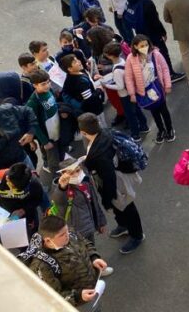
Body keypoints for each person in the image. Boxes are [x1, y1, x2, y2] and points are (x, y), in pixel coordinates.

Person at [78, 113, 145, 254]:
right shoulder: (105, 133)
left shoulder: (99, 153)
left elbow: (109, 180)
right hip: (118, 175)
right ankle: (123, 225)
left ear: (83, 132)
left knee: (127, 206)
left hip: (116, 182)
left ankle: (137, 235)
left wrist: (106, 200)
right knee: (121, 206)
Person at [21, 215, 109, 307]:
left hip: (93, 289)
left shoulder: (68, 232)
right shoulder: (42, 265)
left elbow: (85, 242)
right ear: (48, 240)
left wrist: (94, 257)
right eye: (62, 235)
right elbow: (53, 296)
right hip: (76, 305)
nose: (67, 235)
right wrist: (78, 297)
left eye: (67, 230)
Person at [127, 0, 182, 80]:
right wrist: (163, 33)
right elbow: (154, 21)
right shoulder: (147, 2)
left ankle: (155, 75)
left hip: (141, 33)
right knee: (163, 53)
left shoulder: (134, 0)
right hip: (152, 34)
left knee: (148, 56)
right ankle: (169, 74)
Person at [124, 34, 175, 144]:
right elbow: (128, 77)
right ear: (135, 46)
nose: (145, 47)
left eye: (146, 45)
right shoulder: (130, 58)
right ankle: (161, 130)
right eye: (142, 45)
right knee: (154, 111)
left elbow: (165, 69)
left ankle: (170, 129)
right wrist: (132, 93)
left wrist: (168, 85)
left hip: (157, 85)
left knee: (163, 109)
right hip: (144, 90)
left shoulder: (155, 54)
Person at [49, 157, 108, 244]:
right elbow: (58, 200)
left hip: (89, 228)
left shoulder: (86, 181)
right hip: (77, 234)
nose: (76, 175)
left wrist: (100, 222)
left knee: (92, 248)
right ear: (63, 174)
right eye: (71, 173)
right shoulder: (63, 190)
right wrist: (61, 187)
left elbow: (94, 203)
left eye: (78, 170)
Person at [0, 162, 45, 236]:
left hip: (28, 215)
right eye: (14, 187)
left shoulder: (33, 182)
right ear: (8, 178)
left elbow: (37, 199)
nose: (15, 191)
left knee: (32, 234)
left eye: (20, 190)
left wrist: (24, 210)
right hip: (5, 216)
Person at [25, 69, 63, 173]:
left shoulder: (48, 91)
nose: (47, 85)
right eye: (43, 84)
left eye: (48, 82)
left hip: (56, 127)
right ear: (34, 85)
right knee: (53, 158)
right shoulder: (33, 102)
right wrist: (45, 141)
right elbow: (34, 124)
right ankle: (56, 176)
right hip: (47, 135)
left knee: (59, 151)